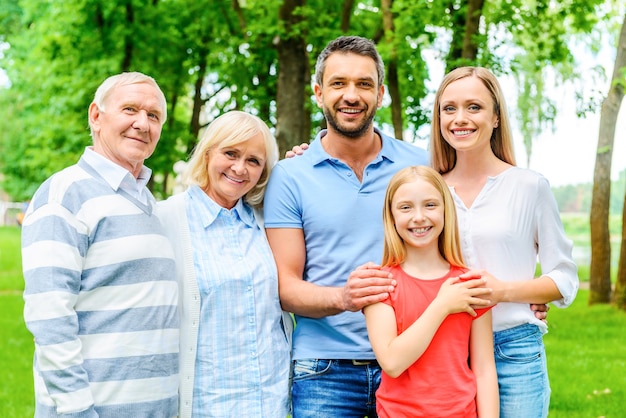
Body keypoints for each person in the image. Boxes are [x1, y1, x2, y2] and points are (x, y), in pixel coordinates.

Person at [263, 35, 490, 417]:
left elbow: (464, 231)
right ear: (318, 92)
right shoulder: (289, 175)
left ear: (381, 94)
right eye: (338, 83)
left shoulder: (421, 165)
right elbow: (285, 287)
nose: (351, 95)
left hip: (419, 363)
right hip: (325, 369)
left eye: (364, 84)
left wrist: (523, 292)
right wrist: (343, 298)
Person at [21, 72, 179, 417]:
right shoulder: (65, 194)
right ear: (96, 116)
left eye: (153, 116)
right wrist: (77, 411)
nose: (142, 123)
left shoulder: (148, 202)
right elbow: (49, 316)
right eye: (130, 110)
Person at [430, 66, 579, 417]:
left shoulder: (529, 186)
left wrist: (504, 292)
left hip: (513, 350)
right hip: (444, 350)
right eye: (448, 108)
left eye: (474, 107)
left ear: (496, 117)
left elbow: (565, 278)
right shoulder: (429, 190)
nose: (460, 118)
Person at [156, 110, 291, 418]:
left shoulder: (266, 221)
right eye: (230, 153)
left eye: (254, 161)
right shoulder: (167, 219)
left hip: (270, 402)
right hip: (207, 404)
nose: (240, 168)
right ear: (207, 153)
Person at [364, 165, 498, 417]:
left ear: (446, 211)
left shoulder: (469, 284)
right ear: (391, 216)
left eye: (430, 205)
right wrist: (442, 305)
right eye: (406, 207)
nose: (419, 217)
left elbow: (483, 368)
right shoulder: (382, 284)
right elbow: (392, 362)